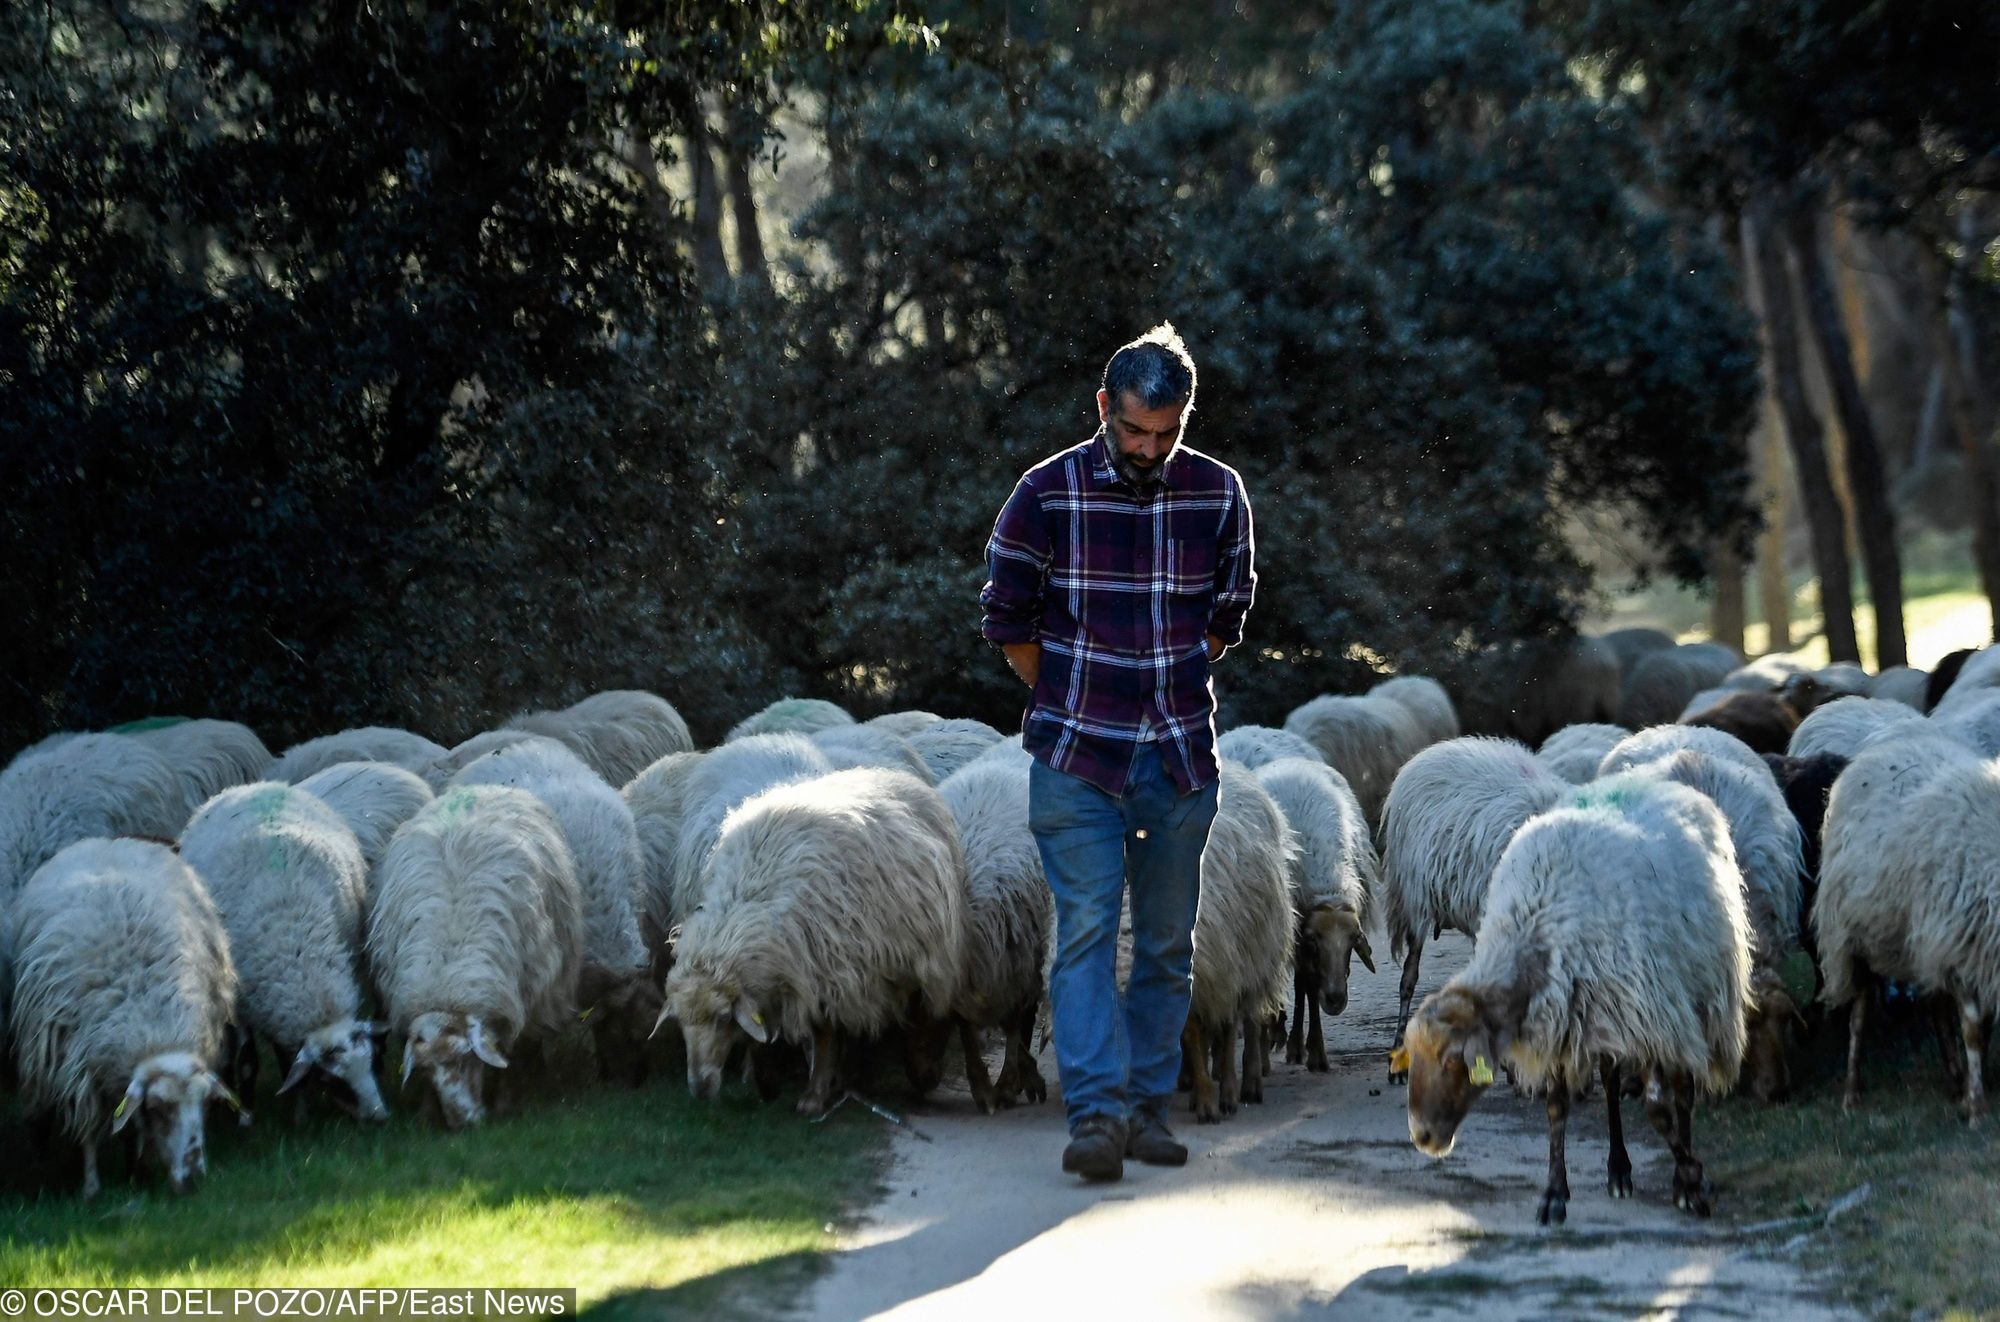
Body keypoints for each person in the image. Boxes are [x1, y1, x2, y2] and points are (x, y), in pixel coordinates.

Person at [980, 322, 1257, 1181]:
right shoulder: (1046, 492)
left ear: (1184, 420)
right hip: (1076, 758)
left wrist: (1161, 684)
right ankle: (1095, 1117)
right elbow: (1007, 619)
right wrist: (1071, 694)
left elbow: (1226, 619)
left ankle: (1147, 1109)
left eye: (1164, 433)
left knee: (1170, 943)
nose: (1147, 448)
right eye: (1133, 431)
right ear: (1104, 408)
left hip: (1175, 762)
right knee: (1087, 931)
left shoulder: (1217, 494)